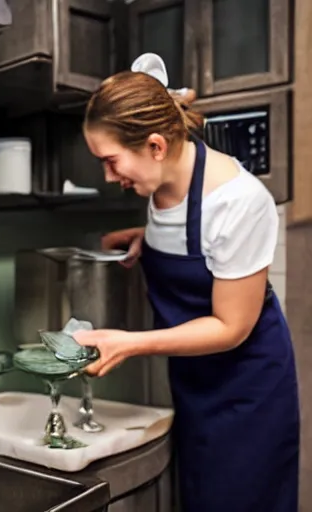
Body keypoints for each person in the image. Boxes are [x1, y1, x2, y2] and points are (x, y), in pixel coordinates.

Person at [74, 70, 300, 512]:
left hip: (246, 393)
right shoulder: (160, 179)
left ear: (156, 146)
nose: (107, 175)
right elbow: (196, 240)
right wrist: (148, 238)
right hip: (194, 384)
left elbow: (231, 327)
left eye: (111, 160)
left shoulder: (239, 201)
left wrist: (128, 344)